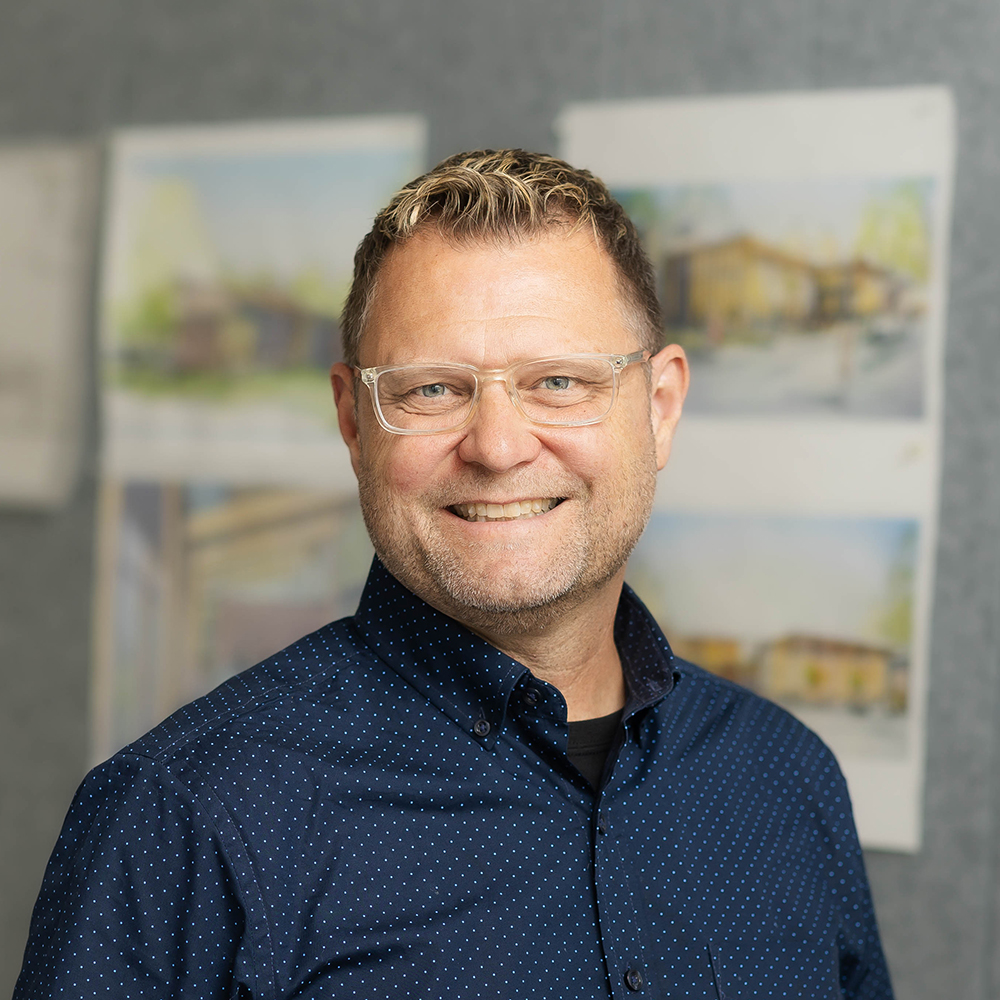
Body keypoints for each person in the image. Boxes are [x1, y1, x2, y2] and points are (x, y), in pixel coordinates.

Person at [15, 149, 893, 999]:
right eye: (432, 389)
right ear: (354, 422)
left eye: (558, 381)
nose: (499, 447)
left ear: (659, 409)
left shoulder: (786, 778)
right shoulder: (184, 816)